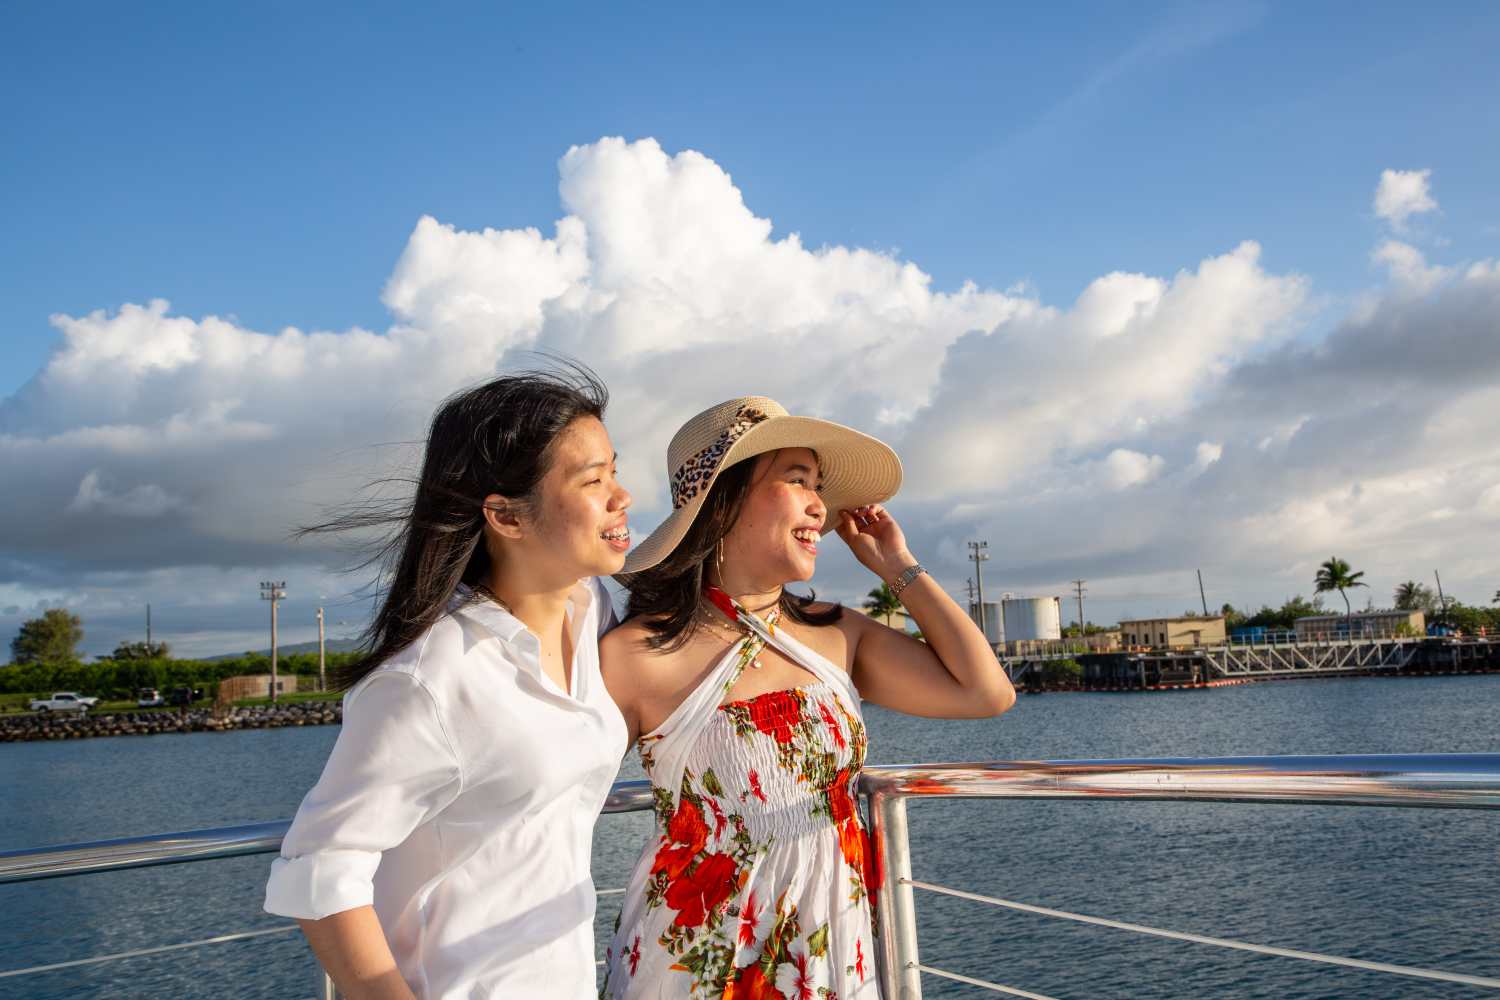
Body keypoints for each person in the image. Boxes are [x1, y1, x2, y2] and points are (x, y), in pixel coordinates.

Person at [599, 396, 1015, 999]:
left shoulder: (836, 634)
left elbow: (985, 692)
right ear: (724, 500)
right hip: (696, 962)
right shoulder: (638, 653)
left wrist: (897, 566)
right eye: (798, 480)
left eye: (818, 486)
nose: (820, 506)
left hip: (831, 947)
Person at [264, 367, 633, 1000]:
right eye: (593, 480)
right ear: (506, 516)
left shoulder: (591, 608)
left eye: (615, 471)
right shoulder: (431, 677)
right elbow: (319, 866)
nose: (621, 496)